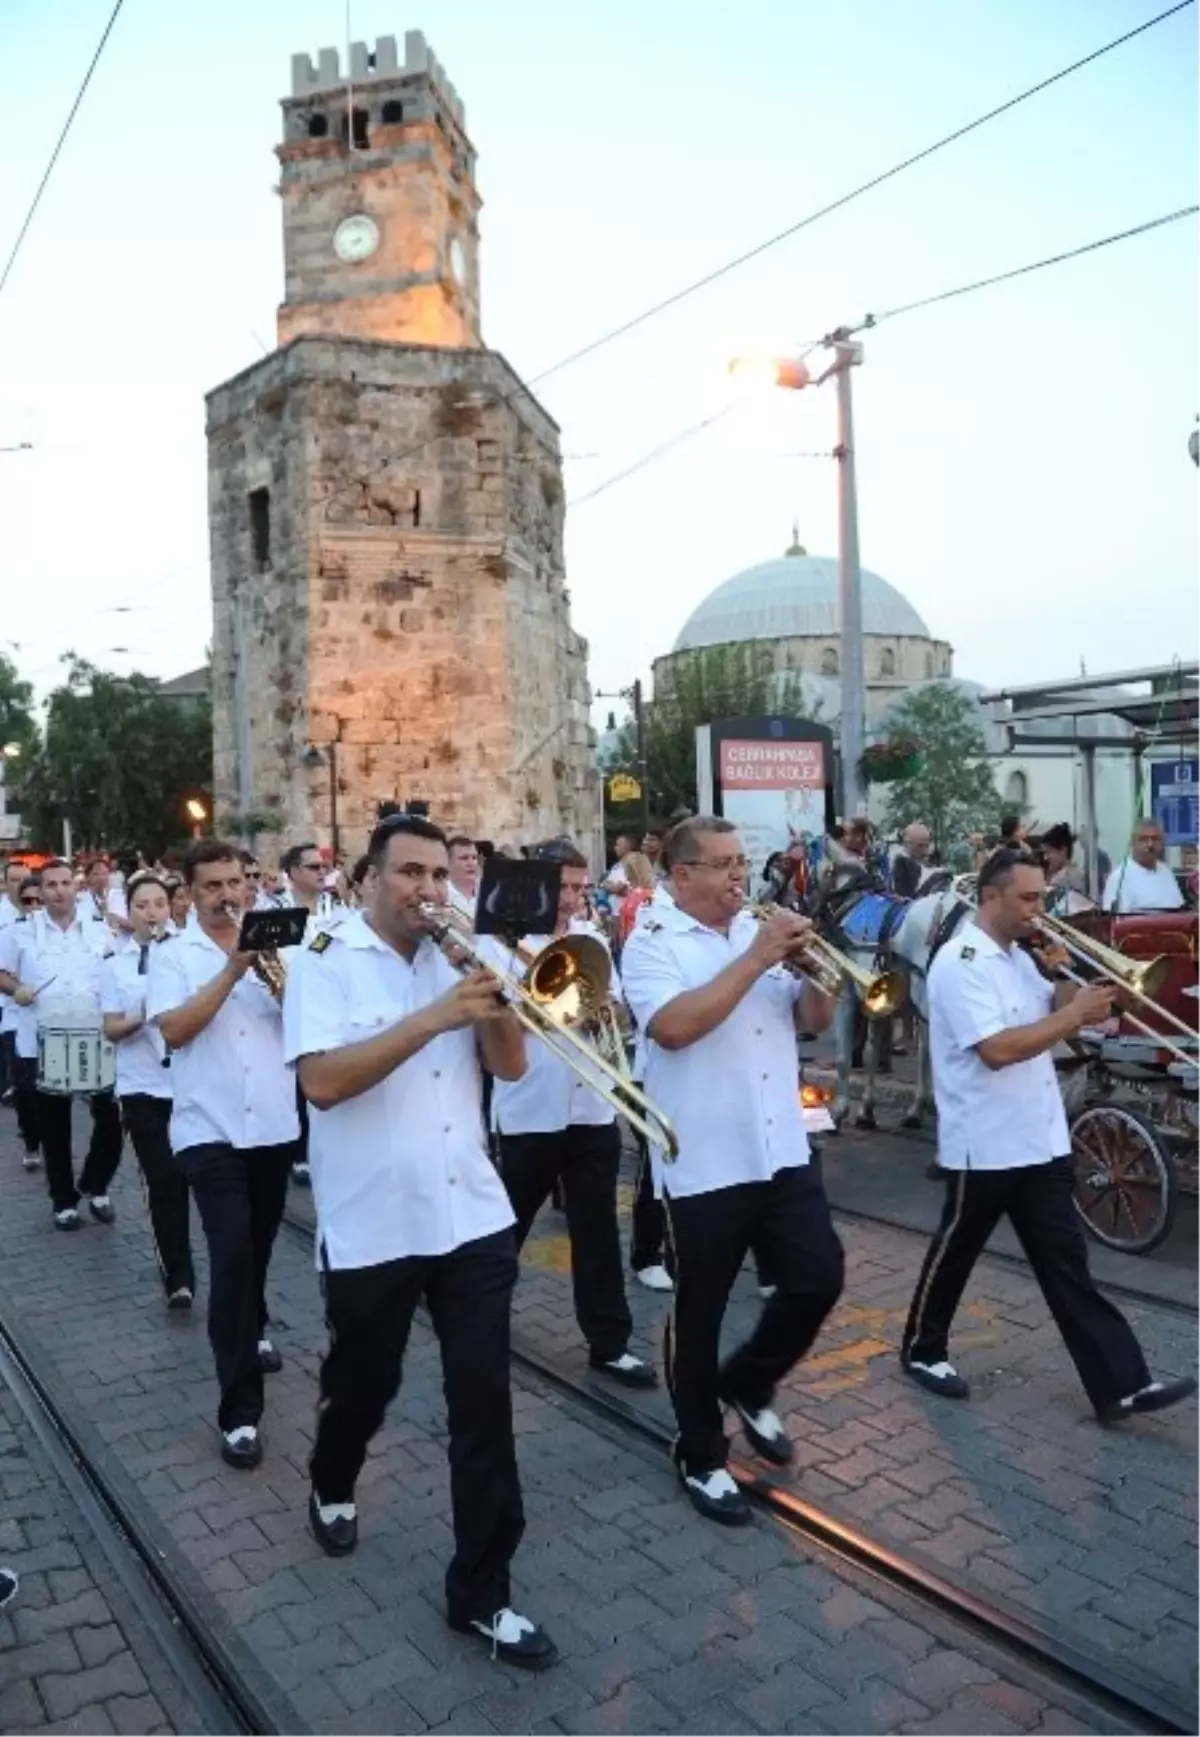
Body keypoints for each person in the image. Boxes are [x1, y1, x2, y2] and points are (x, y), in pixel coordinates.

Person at [283, 814, 556, 1670]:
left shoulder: (469, 947)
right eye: (409, 872)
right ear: (369, 877)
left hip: (469, 1214)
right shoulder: (321, 959)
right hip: (373, 1219)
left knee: (484, 1405)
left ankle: (483, 1589)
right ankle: (333, 1472)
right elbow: (323, 1082)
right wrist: (435, 1016)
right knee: (367, 1383)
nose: (428, 889)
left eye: (439, 873)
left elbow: (509, 1068)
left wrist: (495, 999)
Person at [900, 849, 1195, 1423]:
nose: (1042, 910)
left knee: (1068, 1267)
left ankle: (1122, 1385)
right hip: (983, 1144)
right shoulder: (960, 963)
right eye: (1030, 899)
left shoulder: (1018, 958)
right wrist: (1069, 1014)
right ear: (991, 897)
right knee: (956, 1250)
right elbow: (998, 1049)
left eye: (1043, 898)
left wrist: (1083, 982)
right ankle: (922, 1349)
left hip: (1039, 1139)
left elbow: (1054, 1013)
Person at [622, 816, 843, 1525]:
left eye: (741, 863)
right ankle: (699, 1450)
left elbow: (810, 1018)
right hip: (706, 1155)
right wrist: (756, 956)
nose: (736, 878)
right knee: (700, 1311)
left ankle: (747, 1380)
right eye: (719, 866)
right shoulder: (651, 941)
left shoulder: (757, 931)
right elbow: (675, 1028)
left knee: (818, 1277)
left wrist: (817, 969)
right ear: (680, 875)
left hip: (780, 1143)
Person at [147, 840, 299, 1470]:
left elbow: (310, 1022)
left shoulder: (281, 945)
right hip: (206, 1131)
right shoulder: (171, 954)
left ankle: (251, 1324)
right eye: (211, 885)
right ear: (190, 892)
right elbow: (175, 1030)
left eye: (234, 882)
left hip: (271, 1124)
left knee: (257, 1250)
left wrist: (280, 978)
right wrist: (234, 969)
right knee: (232, 1257)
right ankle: (240, 1412)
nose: (226, 895)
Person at [482, 840, 655, 1390]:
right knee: (506, 1225)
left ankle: (610, 1343)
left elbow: (619, 1012)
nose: (575, 899)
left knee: (598, 1229)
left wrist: (609, 1010)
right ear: (538, 887)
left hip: (591, 1105)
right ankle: (477, 1319)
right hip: (529, 1104)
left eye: (582, 887)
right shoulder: (503, 945)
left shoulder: (593, 939)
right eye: (566, 888)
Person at [0, 859, 122, 1229]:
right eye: (51, 885)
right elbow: (2, 972)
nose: (58, 891)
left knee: (112, 1119)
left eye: (65, 883)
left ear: (76, 887)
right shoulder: (21, 931)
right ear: (42, 890)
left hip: (94, 1034)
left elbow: (117, 971)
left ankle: (96, 1183)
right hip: (45, 1037)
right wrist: (15, 988)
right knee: (55, 1126)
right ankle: (63, 1200)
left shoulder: (100, 929)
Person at [102, 875, 195, 1309]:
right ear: (130, 910)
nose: (152, 912)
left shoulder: (187, 953)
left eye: (160, 903)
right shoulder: (115, 962)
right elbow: (111, 1028)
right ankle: (179, 1275)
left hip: (187, 1083)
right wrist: (142, 1016)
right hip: (141, 1087)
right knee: (164, 1181)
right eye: (142, 905)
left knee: (197, 1180)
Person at [1102, 820, 1185, 914]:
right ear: (1133, 843)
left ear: (1162, 843)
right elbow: (1113, 921)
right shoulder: (1120, 878)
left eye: (1155, 839)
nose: (1150, 844)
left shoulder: (1165, 871)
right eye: (1143, 839)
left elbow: (1178, 908)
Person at [615, 851, 656, 949]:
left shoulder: (648, 895)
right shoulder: (632, 892)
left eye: (626, 869)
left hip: (639, 944)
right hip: (628, 942)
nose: (625, 873)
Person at [891, 823, 933, 900]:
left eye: (927, 845)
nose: (925, 852)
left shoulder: (928, 864)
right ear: (907, 844)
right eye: (920, 846)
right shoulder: (902, 864)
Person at [446, 834, 480, 923]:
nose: (471, 863)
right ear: (447, 862)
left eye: (474, 858)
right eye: (464, 858)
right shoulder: (441, 895)